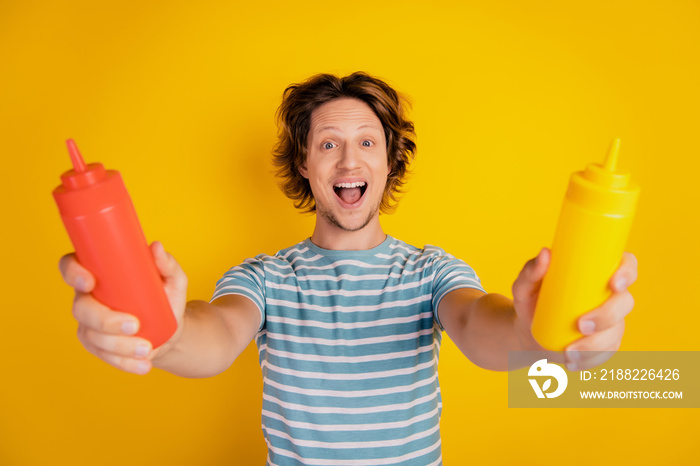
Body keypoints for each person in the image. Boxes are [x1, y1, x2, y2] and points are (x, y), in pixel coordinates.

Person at [59, 72, 637, 465]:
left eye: (367, 143)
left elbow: (480, 328)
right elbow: (214, 336)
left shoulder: (430, 272)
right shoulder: (265, 277)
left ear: (388, 165)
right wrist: (163, 333)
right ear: (305, 167)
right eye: (328, 144)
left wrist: (535, 335)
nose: (350, 158)